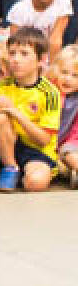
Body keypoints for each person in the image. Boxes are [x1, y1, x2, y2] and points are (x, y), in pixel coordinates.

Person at [0, 25, 60, 192]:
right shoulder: (1, 87)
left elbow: (44, 140)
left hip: (36, 152)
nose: (15, 59)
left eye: (24, 54)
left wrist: (14, 112)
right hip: (4, 148)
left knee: (36, 183)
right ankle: (11, 167)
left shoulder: (49, 92)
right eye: (12, 53)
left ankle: (24, 174)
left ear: (41, 59)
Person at [50, 43, 78, 187]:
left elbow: (76, 131)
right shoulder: (49, 91)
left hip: (69, 142)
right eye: (64, 72)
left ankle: (73, 169)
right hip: (46, 142)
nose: (68, 79)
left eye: (75, 76)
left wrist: (65, 145)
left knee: (69, 152)